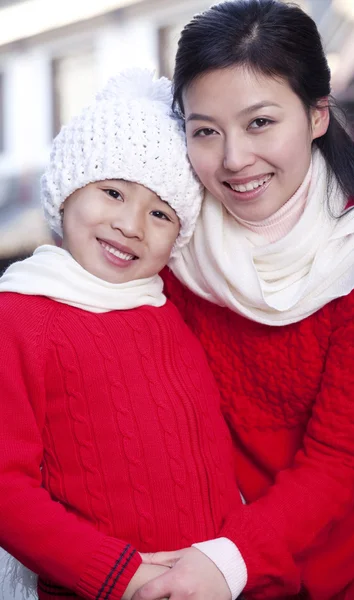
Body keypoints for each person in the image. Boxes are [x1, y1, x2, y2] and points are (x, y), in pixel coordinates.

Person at [132, 1, 354, 600]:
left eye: (259, 123)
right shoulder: (172, 246)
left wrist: (226, 562)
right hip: (225, 558)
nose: (233, 159)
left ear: (316, 116)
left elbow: (338, 461)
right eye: (206, 130)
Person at [0, 68, 245, 600]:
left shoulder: (166, 311)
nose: (131, 225)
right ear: (66, 191)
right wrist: (122, 575)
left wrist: (226, 561)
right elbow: (5, 488)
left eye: (160, 213)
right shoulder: (22, 315)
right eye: (112, 192)